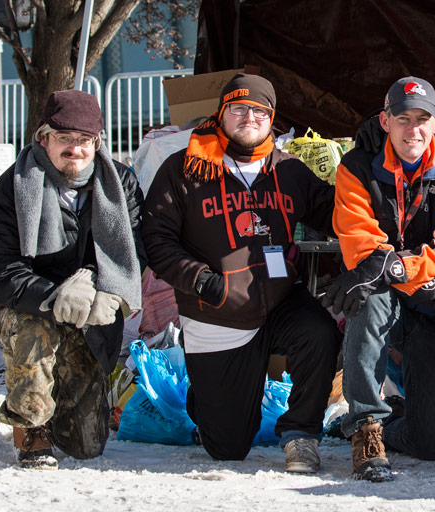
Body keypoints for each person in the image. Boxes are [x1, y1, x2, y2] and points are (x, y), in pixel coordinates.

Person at [142, 73, 340, 472]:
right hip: (216, 308)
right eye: (239, 108)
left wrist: (365, 166)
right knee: (227, 447)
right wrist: (203, 282)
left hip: (281, 300)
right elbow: (157, 239)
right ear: (222, 113)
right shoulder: (184, 168)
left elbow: (340, 215)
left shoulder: (290, 170)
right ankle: (207, 393)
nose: (249, 117)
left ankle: (300, 434)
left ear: (272, 118)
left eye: (260, 110)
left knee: (319, 330)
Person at [0, 89, 146, 468]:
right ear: (43, 138)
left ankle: (52, 407)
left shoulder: (121, 184)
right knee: (38, 330)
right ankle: (30, 426)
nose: (75, 149)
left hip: (90, 304)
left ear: (97, 142)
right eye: (64, 139)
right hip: (21, 303)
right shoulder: (12, 187)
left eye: (84, 140)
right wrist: (55, 296)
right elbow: (2, 271)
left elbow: (136, 250)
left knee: (87, 444)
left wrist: (107, 290)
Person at [325, 77, 435, 482]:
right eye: (402, 118)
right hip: (391, 291)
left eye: (422, 119)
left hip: (429, 298)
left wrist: (400, 270)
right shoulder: (355, 167)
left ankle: (392, 424)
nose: (412, 129)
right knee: (368, 297)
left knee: (432, 445)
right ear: (385, 120)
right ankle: (364, 429)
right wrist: (417, 278)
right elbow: (362, 247)